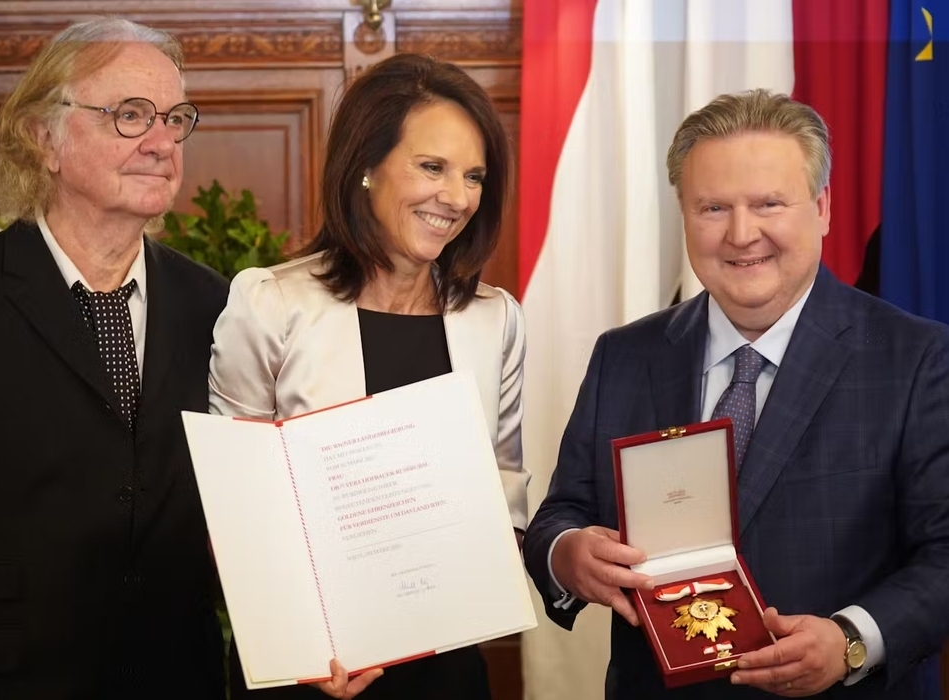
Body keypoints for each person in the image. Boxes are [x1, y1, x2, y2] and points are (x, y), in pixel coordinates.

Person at [524, 88, 949, 699]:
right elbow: (560, 515)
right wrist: (567, 554)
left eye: (769, 203)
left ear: (823, 207)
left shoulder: (917, 358)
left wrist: (853, 638)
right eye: (713, 208)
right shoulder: (624, 355)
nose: (741, 234)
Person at [0, 19, 229, 700]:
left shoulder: (214, 304)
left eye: (174, 118)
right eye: (130, 115)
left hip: (177, 677)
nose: (162, 142)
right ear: (43, 138)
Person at [208, 52, 529, 699]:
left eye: (474, 176)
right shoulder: (270, 302)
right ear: (364, 167)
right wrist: (306, 645)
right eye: (432, 167)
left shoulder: (495, 318)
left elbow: (504, 487)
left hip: (448, 665)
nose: (459, 197)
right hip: (309, 669)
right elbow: (234, 513)